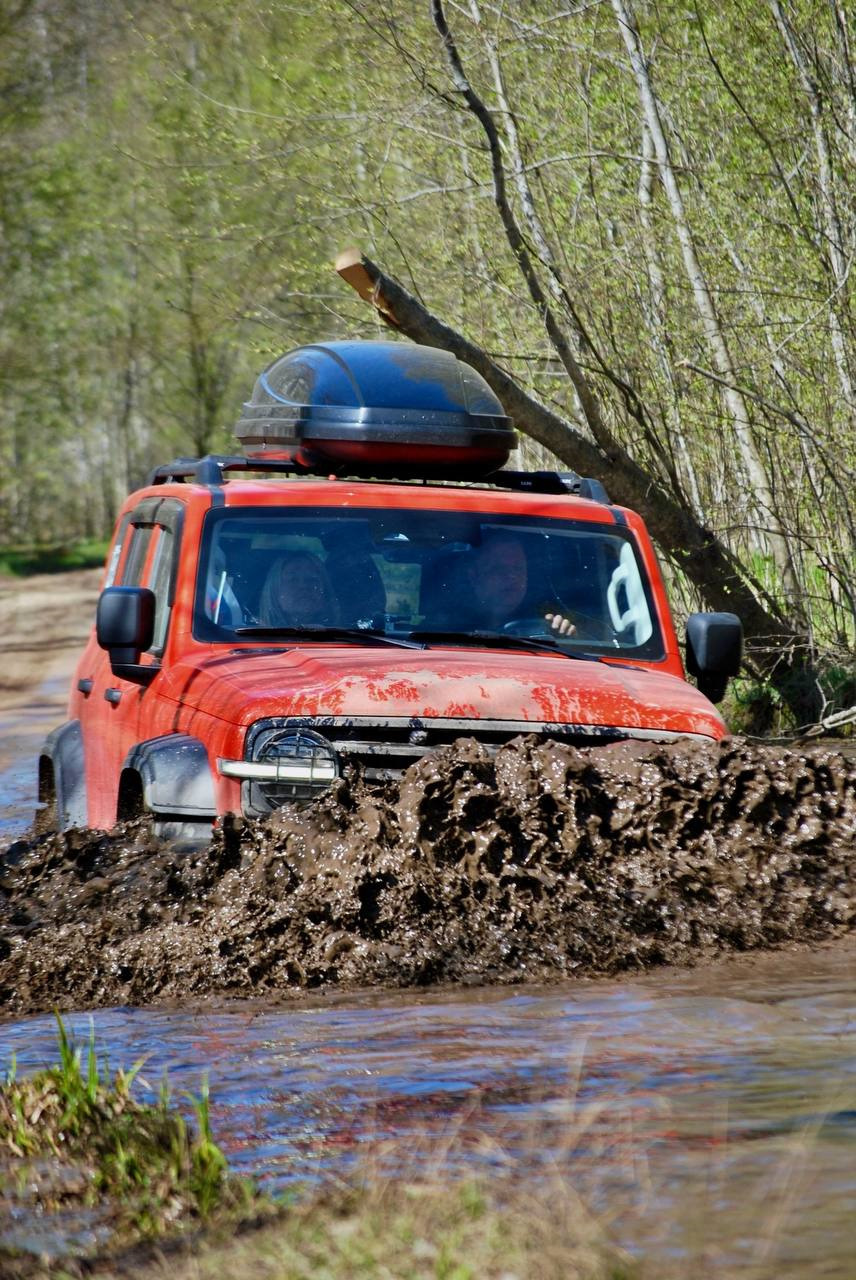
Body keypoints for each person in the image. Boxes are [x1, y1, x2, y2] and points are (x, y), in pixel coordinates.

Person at [460, 532, 578, 636]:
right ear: (474, 577)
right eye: (499, 568)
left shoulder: (544, 623)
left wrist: (566, 638)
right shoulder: (448, 626)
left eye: (518, 569)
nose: (512, 576)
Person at [258, 550, 339, 627]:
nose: (303, 586)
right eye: (292, 579)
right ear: (274, 591)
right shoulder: (253, 637)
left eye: (312, 579)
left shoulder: (346, 636)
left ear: (325, 591)